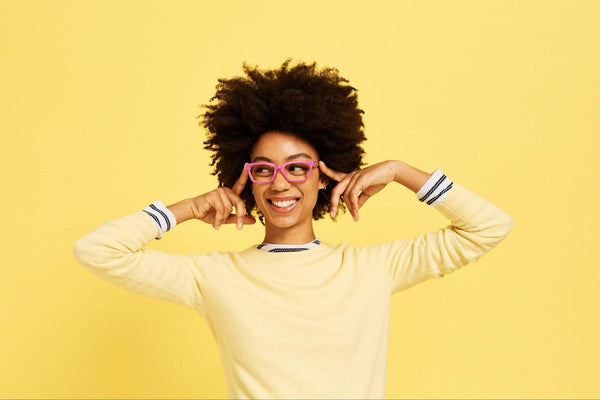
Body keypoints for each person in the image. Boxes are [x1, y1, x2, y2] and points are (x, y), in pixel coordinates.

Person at [73, 58, 514, 399]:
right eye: (263, 170)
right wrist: (187, 208)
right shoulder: (214, 277)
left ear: (325, 176)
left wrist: (401, 172)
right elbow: (97, 251)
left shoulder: (373, 268)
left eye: (298, 168)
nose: (280, 183)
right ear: (245, 179)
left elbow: (488, 227)